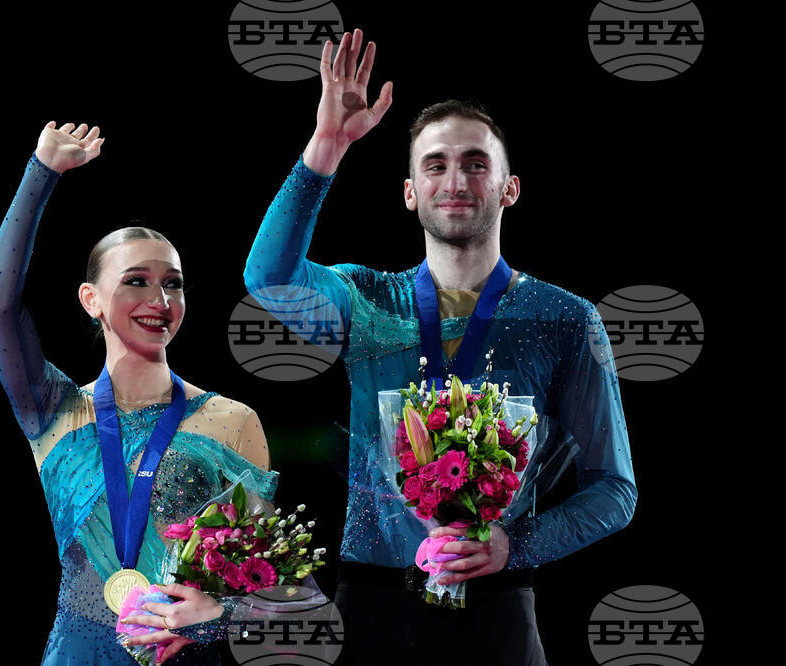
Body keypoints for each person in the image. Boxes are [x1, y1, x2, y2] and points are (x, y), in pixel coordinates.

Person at [243, 29, 637, 665]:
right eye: (435, 164)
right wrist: (327, 146)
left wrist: (517, 545)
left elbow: (614, 489)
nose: (455, 179)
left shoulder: (566, 318)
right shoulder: (367, 300)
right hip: (371, 603)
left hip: (501, 606)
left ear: (509, 188)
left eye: (476, 163)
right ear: (410, 193)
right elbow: (268, 279)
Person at [0, 121, 279, 665]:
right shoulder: (53, 412)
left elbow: (264, 587)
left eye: (173, 282)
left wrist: (220, 616)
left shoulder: (233, 419)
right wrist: (41, 172)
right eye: (136, 280)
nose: (160, 298)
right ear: (90, 299)